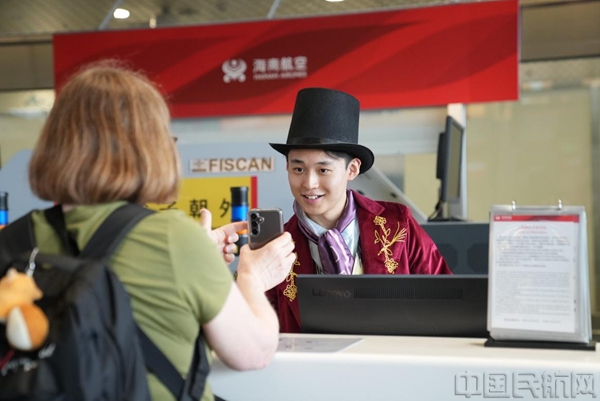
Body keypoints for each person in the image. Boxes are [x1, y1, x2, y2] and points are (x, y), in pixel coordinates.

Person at [27, 61, 296, 401]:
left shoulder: (16, 239)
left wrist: (200, 260)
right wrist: (252, 278)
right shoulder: (173, 237)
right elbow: (254, 352)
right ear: (150, 147)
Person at [266, 87, 451, 333]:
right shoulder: (277, 247)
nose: (309, 183)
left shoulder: (398, 225)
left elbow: (445, 300)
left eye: (323, 170)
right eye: (298, 169)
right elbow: (258, 329)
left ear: (352, 170)